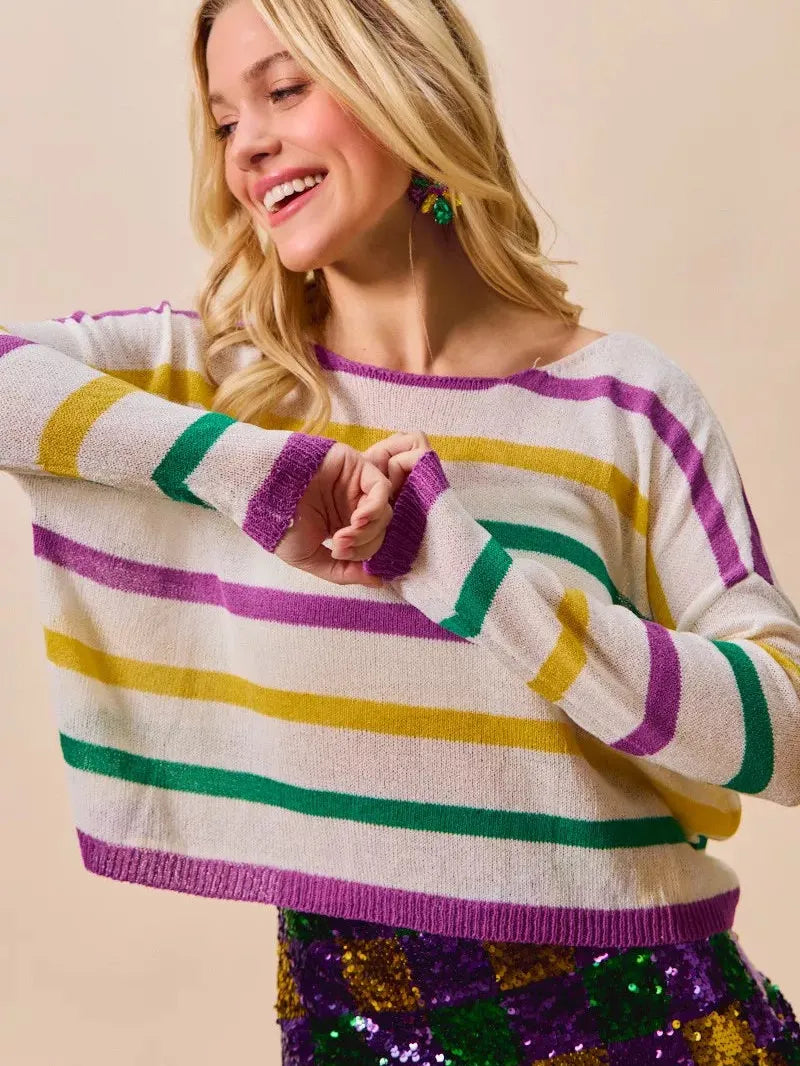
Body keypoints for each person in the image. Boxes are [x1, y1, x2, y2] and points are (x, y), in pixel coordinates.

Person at [2, 0, 800, 1062]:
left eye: (285, 90)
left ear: (407, 80)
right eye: (226, 120)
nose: (248, 148)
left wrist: (470, 575)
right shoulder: (215, 381)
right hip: (357, 1027)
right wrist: (262, 474)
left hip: (656, 1023)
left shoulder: (625, 404)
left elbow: (786, 731)